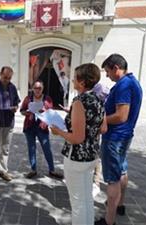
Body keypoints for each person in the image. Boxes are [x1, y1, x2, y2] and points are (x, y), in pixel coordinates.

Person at [51, 63, 107, 225]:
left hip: (76, 157)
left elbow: (77, 138)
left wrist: (58, 132)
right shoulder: (99, 99)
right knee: (87, 199)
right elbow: (103, 128)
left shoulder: (79, 102)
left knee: (77, 203)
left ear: (82, 82)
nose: (72, 80)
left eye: (75, 78)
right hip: (91, 156)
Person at [95, 54, 143, 225]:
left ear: (116, 68)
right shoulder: (133, 82)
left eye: (107, 71)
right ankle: (119, 205)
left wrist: (100, 120)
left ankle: (109, 220)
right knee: (121, 171)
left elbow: (121, 116)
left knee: (112, 179)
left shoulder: (123, 85)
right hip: (124, 136)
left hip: (115, 138)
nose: (106, 75)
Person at [20, 80, 63, 179]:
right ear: (32, 88)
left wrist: (44, 111)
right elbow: (22, 111)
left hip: (42, 126)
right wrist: (28, 112)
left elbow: (51, 112)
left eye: (39, 88)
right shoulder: (28, 98)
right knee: (31, 148)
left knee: (46, 148)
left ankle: (52, 170)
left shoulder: (47, 99)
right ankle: (33, 169)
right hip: (29, 126)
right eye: (35, 88)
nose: (37, 90)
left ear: (42, 89)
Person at [92, 82, 110, 198]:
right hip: (93, 136)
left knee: (96, 158)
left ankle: (96, 182)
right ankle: (94, 182)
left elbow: (103, 128)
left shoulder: (102, 105)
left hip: (95, 135)